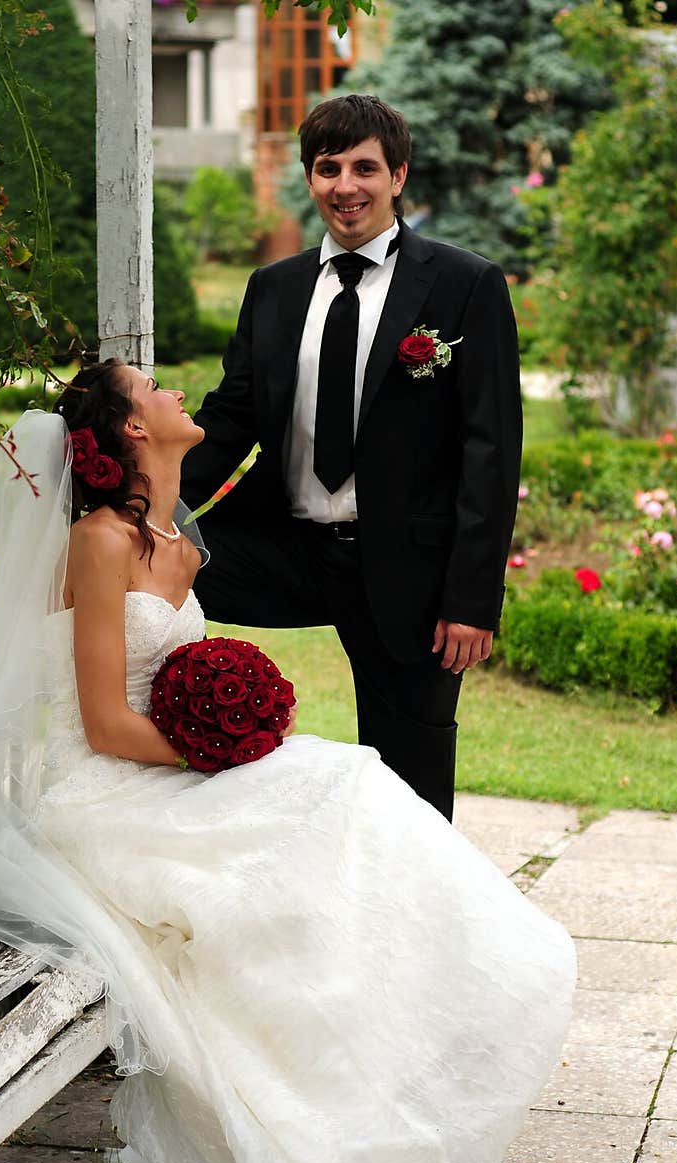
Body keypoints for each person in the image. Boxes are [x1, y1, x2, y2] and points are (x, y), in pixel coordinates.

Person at [0, 359, 575, 1163]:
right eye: (152, 388)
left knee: (348, 791)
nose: (173, 394)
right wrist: (227, 749)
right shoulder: (99, 542)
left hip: (173, 774)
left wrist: (231, 742)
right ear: (129, 430)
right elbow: (109, 724)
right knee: (290, 846)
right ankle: (322, 1119)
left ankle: (405, 1078)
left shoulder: (174, 538)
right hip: (111, 793)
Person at [182, 94, 523, 822]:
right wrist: (133, 512)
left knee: (411, 789)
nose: (346, 186)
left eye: (365, 167)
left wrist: (471, 600)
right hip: (284, 546)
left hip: (407, 566)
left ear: (398, 176)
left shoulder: (465, 287)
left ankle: (417, 922)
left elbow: (490, 450)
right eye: (328, 168)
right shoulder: (272, 290)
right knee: (139, 578)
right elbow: (229, 419)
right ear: (309, 178)